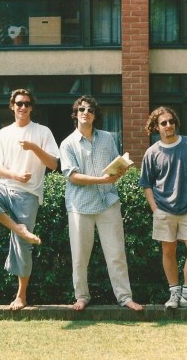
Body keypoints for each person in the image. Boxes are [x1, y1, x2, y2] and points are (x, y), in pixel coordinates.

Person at [0, 88, 59, 310]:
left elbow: (53, 164)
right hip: (4, 187)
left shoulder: (42, 132)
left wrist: (33, 148)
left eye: (27, 104)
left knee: (22, 246)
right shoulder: (3, 133)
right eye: (19, 103)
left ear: (32, 107)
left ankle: (21, 296)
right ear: (12, 106)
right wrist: (15, 175)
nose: (23, 107)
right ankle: (18, 228)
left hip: (28, 194)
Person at [59, 95, 143, 312]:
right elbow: (73, 177)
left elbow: (115, 166)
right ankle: (81, 297)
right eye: (81, 109)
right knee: (79, 256)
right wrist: (102, 180)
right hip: (80, 206)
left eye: (90, 110)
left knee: (116, 254)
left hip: (108, 202)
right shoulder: (67, 144)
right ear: (75, 114)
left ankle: (125, 298)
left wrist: (121, 170)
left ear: (95, 115)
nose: (85, 112)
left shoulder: (107, 138)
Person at [139, 106, 187, 309]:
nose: (169, 125)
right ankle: (174, 294)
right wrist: (155, 209)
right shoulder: (152, 152)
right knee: (168, 251)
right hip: (163, 209)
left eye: (171, 121)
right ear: (156, 127)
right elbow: (146, 184)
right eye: (163, 123)